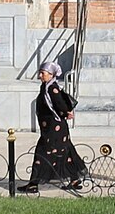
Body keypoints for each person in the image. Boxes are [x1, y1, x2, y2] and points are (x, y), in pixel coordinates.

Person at [21, 62, 87, 191]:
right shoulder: (46, 87)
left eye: (43, 73)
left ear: (51, 75)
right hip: (52, 128)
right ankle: (74, 179)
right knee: (65, 152)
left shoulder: (52, 88)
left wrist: (66, 113)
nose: (40, 76)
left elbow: (60, 104)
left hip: (54, 129)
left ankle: (34, 183)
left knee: (43, 153)